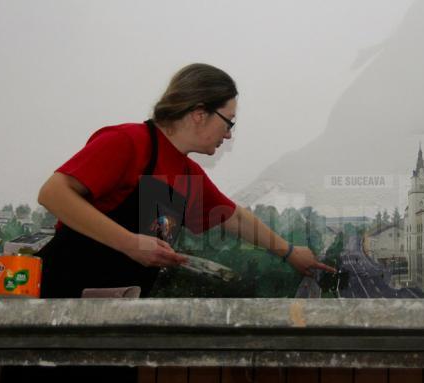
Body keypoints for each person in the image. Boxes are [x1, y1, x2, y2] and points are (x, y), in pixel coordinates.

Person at [36, 63, 334, 297]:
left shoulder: (189, 175)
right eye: (228, 121)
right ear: (199, 113)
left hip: (113, 311)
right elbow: (53, 193)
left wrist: (291, 253)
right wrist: (129, 243)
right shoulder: (128, 142)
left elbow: (236, 219)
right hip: (59, 302)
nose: (229, 133)